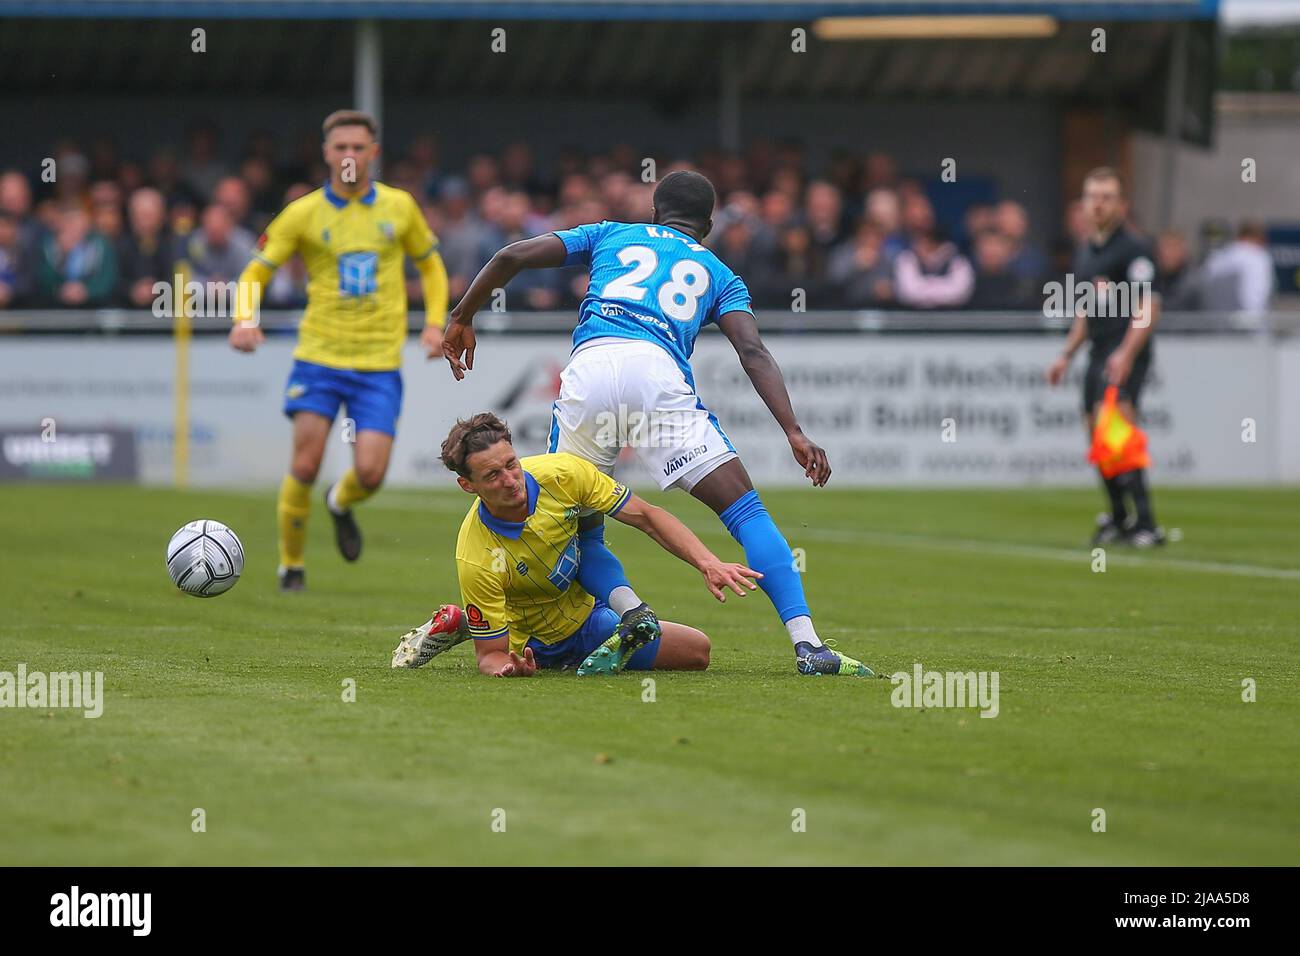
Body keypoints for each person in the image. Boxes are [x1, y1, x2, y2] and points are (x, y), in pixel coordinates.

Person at [442, 170, 875, 678]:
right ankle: (808, 646)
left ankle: (625, 615)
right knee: (746, 514)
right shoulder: (719, 274)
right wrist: (793, 432)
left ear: (654, 212)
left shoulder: (611, 233)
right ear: (708, 225)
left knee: (581, 527)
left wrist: (461, 316)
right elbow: (752, 352)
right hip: (656, 374)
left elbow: (510, 256)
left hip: (593, 371)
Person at [228, 109, 451, 591]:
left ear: (373, 153)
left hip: (378, 364)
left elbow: (431, 267)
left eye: (358, 147)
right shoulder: (304, 212)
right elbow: (254, 272)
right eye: (340, 147)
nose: (349, 155)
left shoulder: (400, 207)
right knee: (305, 463)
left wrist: (435, 325)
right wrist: (245, 319)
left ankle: (340, 501)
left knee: (369, 474)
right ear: (326, 153)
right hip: (319, 357)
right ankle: (291, 567)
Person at [391, 413, 757, 676]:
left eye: (511, 464)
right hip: (530, 639)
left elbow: (646, 516)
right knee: (500, 635)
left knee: (699, 652)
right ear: (468, 485)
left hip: (588, 615)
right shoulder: (476, 556)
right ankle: (466, 622)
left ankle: (469, 620)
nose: (510, 480)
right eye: (492, 475)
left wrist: (708, 562)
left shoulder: (564, 474)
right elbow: (490, 657)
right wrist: (507, 668)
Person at [1046, 167, 1164, 548]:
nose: (1098, 203)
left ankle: (1146, 523)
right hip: (1098, 354)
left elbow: (1148, 305)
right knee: (1096, 437)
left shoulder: (1135, 249)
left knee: (1118, 436)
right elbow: (1086, 311)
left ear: (1121, 204)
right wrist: (1066, 354)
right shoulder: (1086, 251)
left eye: (1106, 196)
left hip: (1125, 354)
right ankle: (1118, 516)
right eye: (1091, 196)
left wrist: (1127, 352)